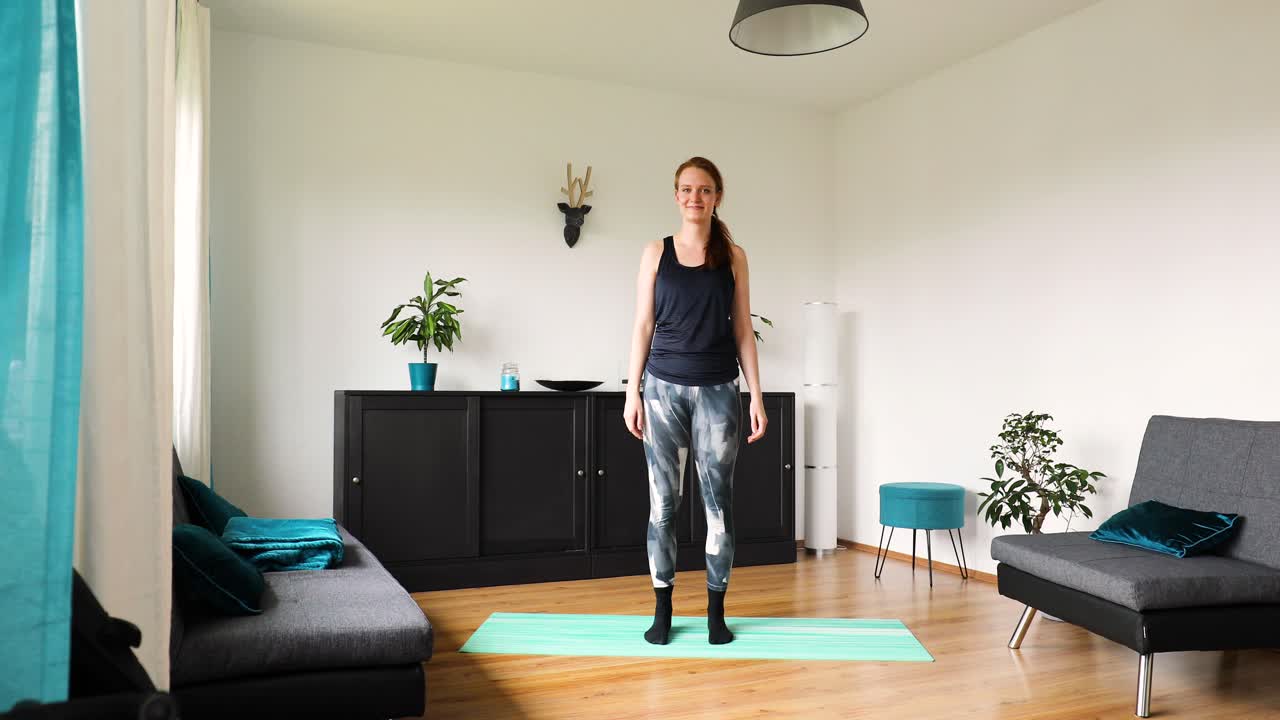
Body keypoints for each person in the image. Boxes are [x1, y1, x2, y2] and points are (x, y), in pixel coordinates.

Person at [622, 156, 767, 646]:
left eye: (704, 190)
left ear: (717, 196)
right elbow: (643, 325)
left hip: (719, 394)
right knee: (663, 506)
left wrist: (756, 397)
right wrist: (632, 391)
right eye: (686, 189)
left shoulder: (734, 256)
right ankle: (662, 610)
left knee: (717, 507)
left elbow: (744, 329)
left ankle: (715, 614)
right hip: (662, 390)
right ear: (677, 195)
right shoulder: (655, 252)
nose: (694, 197)